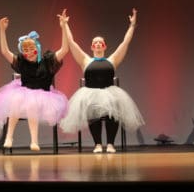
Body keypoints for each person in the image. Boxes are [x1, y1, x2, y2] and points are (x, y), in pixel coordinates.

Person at [60, 8, 145, 153]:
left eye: (100, 42)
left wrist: (132, 26)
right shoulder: (85, 60)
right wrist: (65, 24)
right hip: (91, 93)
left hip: (110, 92)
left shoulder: (112, 59)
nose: (98, 44)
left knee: (114, 112)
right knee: (93, 112)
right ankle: (98, 144)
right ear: (92, 46)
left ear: (104, 46)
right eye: (95, 42)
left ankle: (111, 144)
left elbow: (125, 43)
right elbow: (72, 42)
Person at [0, 9, 69, 151]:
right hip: (23, 94)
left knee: (32, 104)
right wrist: (2, 30)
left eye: (32, 49)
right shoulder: (22, 62)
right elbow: (5, 52)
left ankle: (34, 141)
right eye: (25, 50)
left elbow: (65, 49)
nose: (29, 52)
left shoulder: (47, 61)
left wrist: (64, 27)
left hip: (44, 97)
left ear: (37, 48)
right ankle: (9, 137)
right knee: (17, 100)